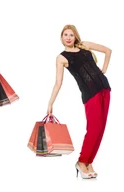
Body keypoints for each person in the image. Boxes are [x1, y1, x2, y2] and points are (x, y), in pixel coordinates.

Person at [46, 24, 112, 179]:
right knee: (94, 129)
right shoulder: (62, 58)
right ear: (61, 37)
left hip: (105, 89)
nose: (68, 37)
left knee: (101, 130)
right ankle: (81, 162)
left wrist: (104, 69)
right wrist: (50, 103)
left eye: (71, 35)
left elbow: (108, 51)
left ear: (75, 36)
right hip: (90, 94)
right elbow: (58, 83)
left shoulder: (85, 45)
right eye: (65, 35)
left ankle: (89, 162)